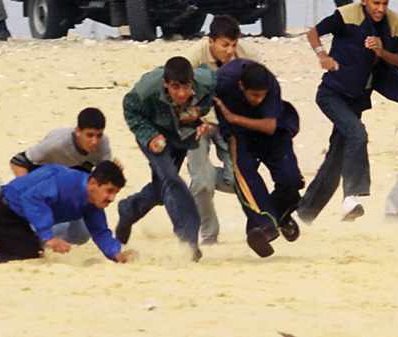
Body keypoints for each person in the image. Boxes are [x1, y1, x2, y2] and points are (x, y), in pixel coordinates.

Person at [299, 0, 398, 223]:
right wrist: (323, 56)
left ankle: (303, 214)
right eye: (375, 3)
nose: (380, 9)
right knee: (358, 134)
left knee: (336, 158)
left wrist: (382, 51)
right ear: (364, 0)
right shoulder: (347, 15)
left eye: (384, 4)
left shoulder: (395, 26)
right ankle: (352, 197)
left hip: (357, 99)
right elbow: (313, 33)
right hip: (331, 94)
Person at [115, 56, 216, 260]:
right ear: (165, 84)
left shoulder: (208, 82)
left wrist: (203, 118)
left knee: (163, 190)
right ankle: (189, 242)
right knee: (171, 180)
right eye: (175, 87)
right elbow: (130, 109)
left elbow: (216, 99)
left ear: (193, 82)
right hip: (153, 134)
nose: (181, 93)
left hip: (181, 135)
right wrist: (150, 136)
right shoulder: (146, 89)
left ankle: (128, 209)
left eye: (186, 87)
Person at [0, 161, 135, 264]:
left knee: (32, 252)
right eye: (109, 191)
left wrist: (116, 253)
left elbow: (100, 231)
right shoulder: (65, 181)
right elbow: (32, 198)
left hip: (15, 218)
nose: (111, 198)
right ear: (93, 183)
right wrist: (48, 236)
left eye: (115, 193)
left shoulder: (93, 202)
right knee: (29, 254)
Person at [213, 60, 303, 257]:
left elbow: (270, 126)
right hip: (240, 136)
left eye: (263, 95)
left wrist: (233, 118)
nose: (259, 99)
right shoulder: (222, 81)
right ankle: (264, 227)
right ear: (241, 87)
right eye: (254, 95)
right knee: (246, 177)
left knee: (291, 180)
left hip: (273, 132)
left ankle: (279, 216)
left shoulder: (270, 84)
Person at [184, 14, 259, 244]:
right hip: (198, 125)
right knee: (203, 184)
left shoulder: (248, 58)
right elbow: (174, 90)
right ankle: (209, 235)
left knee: (237, 180)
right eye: (224, 45)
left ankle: (197, 183)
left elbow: (261, 92)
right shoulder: (193, 57)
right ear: (211, 42)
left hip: (231, 124)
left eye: (234, 45)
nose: (230, 50)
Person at [8, 107, 113, 244]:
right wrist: (26, 192)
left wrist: (112, 173)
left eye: (99, 135)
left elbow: (103, 179)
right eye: (89, 135)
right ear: (78, 132)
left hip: (74, 184)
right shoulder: (56, 144)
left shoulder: (103, 144)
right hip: (45, 183)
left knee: (81, 235)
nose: (95, 141)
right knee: (40, 231)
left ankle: (50, 238)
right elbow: (17, 162)